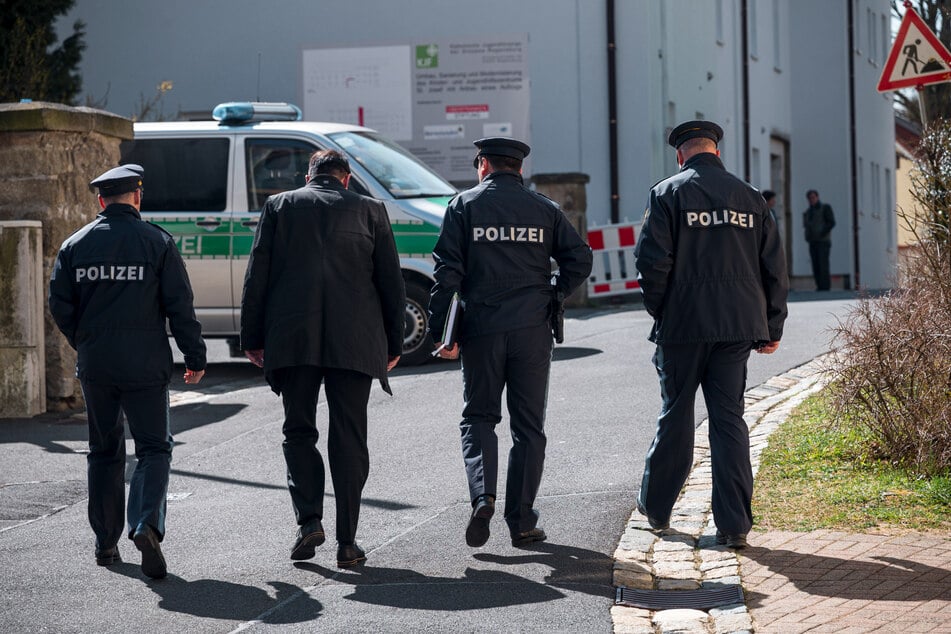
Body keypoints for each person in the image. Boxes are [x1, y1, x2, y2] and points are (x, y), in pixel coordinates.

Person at [240, 149, 405, 568]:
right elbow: (391, 282)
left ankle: (309, 520)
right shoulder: (371, 210)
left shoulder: (279, 206)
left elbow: (258, 274)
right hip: (355, 342)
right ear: (346, 178)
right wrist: (394, 344)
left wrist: (252, 338)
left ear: (310, 175)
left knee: (298, 431)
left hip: (293, 340)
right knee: (349, 437)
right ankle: (348, 542)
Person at [429, 137, 592, 549]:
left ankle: (483, 495)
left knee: (480, 417)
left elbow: (447, 272)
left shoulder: (464, 206)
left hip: (481, 328)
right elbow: (580, 258)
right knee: (528, 427)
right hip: (532, 330)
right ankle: (521, 521)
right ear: (519, 169)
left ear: (482, 165)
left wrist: (442, 334)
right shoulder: (544, 209)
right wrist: (553, 293)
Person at [633, 121, 788, 549]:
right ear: (716, 151)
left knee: (676, 416)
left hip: (683, 327)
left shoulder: (667, 193)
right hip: (737, 327)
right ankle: (734, 524)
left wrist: (662, 312)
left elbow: (651, 265)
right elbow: (773, 267)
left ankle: (658, 508)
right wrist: (772, 325)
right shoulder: (751, 197)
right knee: (728, 420)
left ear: (680, 155)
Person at [48, 164, 207, 579]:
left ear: (101, 200)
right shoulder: (157, 242)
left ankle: (105, 543)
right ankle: (145, 524)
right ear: (137, 197)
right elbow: (180, 307)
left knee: (103, 451)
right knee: (154, 448)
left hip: (97, 364)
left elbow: (60, 306)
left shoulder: (74, 245)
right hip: (145, 363)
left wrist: (85, 342)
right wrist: (195, 357)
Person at [803, 189, 835, 291]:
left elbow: (831, 222)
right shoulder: (808, 212)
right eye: (809, 198)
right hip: (813, 241)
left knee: (823, 264)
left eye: (813, 197)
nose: (811, 200)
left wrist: (822, 232)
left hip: (823, 241)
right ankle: (819, 285)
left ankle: (825, 286)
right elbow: (807, 226)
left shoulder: (825, 208)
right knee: (815, 264)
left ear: (817, 197)